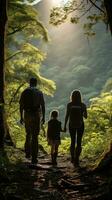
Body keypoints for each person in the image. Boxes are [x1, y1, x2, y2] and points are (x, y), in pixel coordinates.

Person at [19, 77, 45, 164]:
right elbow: (43, 105)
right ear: (36, 83)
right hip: (36, 114)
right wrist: (43, 117)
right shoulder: (39, 92)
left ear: (29, 83)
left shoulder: (25, 92)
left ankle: (27, 153)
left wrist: (21, 117)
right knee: (35, 136)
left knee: (28, 133)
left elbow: (21, 105)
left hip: (27, 114)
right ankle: (34, 157)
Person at [64, 90, 87, 167]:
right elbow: (86, 117)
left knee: (73, 141)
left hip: (71, 124)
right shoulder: (83, 105)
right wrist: (83, 112)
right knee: (79, 142)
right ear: (80, 96)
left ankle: (72, 158)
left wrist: (64, 126)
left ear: (72, 96)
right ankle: (77, 158)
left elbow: (67, 116)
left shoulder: (69, 105)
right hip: (80, 125)